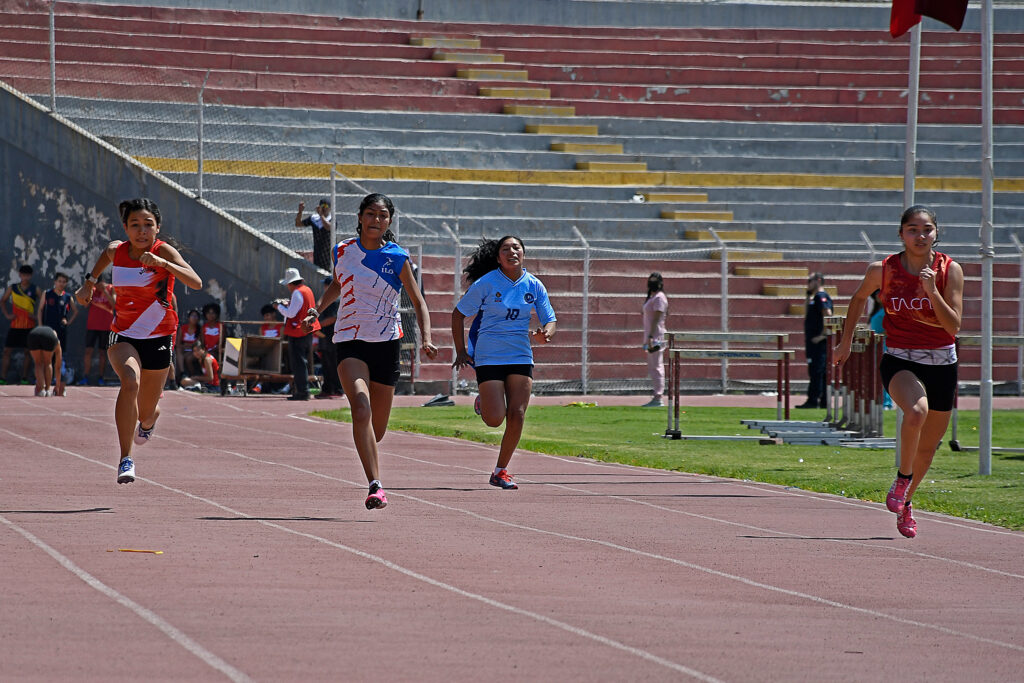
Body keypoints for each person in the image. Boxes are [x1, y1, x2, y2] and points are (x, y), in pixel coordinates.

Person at [834, 206, 963, 539]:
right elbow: (858, 298)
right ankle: (902, 478)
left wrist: (932, 291)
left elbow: (953, 327)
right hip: (900, 358)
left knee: (928, 449)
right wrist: (845, 342)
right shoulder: (883, 270)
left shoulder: (950, 270)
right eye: (912, 229)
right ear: (901, 233)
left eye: (927, 230)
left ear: (937, 232)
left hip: (941, 363)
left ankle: (906, 502)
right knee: (915, 412)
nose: (920, 236)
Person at [304, 193, 437, 510]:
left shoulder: (397, 257)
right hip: (350, 340)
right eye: (371, 214)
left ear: (389, 221)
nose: (376, 220)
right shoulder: (344, 250)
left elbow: (418, 302)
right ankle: (376, 486)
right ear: (361, 217)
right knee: (360, 409)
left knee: (375, 431)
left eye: (382, 216)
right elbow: (338, 283)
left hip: (387, 345)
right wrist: (318, 310)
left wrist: (427, 338)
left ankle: (370, 461)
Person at [74, 198, 203, 484]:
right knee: (129, 381)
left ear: (157, 229)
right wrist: (89, 283)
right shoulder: (117, 250)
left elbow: (196, 282)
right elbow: (104, 257)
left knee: (145, 411)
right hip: (124, 333)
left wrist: (163, 263)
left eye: (148, 225)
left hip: (158, 335)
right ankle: (126, 459)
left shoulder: (162, 251)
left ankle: (148, 420)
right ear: (125, 227)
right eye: (135, 225)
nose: (141, 231)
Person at [451, 235, 557, 491]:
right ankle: (484, 402)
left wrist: (546, 334)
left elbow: (549, 318)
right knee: (495, 419)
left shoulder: (534, 285)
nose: (512, 252)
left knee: (517, 414)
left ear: (524, 253)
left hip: (520, 354)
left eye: (517, 247)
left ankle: (501, 471)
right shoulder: (486, 284)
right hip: (489, 355)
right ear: (498, 257)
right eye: (506, 249)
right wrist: (461, 351)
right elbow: (458, 314)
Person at [276, 267, 320, 401]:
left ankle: (302, 391)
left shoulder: (297, 292)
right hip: (307, 330)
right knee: (302, 362)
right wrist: (288, 304)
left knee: (298, 363)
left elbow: (291, 313)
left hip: (298, 331)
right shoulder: (307, 290)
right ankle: (303, 390)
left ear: (290, 283)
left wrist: (278, 306)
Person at [797, 271, 833, 409]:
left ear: (818, 280)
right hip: (813, 342)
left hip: (819, 343)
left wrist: (823, 335)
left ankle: (814, 400)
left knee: (817, 371)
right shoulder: (814, 298)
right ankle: (822, 401)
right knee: (817, 370)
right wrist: (807, 295)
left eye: (809, 281)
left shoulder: (821, 297)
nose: (808, 284)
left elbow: (828, 315)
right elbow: (806, 312)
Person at [1, 264, 40, 384]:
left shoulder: (35, 289)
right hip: (15, 325)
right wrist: (7, 315)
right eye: (23, 275)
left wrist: (36, 317)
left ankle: (24, 378)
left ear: (31, 276)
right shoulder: (13, 288)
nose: (25, 278)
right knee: (7, 351)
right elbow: (2, 301)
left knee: (28, 352)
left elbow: (45, 302)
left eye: (27, 275)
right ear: (20, 275)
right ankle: (2, 378)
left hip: (29, 326)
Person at [80, 275, 116, 385]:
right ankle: (85, 377)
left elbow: (114, 305)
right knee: (88, 352)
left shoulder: (111, 288)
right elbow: (85, 304)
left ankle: (101, 377)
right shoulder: (92, 290)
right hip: (92, 326)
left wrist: (105, 291)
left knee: (102, 353)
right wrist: (89, 290)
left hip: (105, 327)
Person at [38, 272, 79, 365]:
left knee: (58, 352)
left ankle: (56, 377)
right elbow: (40, 310)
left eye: (64, 282)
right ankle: (44, 376)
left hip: (61, 329)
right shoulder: (47, 294)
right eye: (59, 281)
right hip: (48, 328)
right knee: (46, 352)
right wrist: (40, 325)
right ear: (55, 282)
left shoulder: (68, 297)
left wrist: (68, 322)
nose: (61, 283)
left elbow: (76, 311)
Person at [641, 272, 668, 407]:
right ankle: (656, 395)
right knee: (653, 366)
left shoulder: (659, 298)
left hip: (656, 336)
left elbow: (657, 318)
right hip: (650, 335)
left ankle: (658, 396)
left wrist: (651, 336)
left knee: (657, 366)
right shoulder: (652, 297)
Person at [314, 276, 342, 399]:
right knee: (326, 365)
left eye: (326, 286)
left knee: (333, 365)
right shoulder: (327, 299)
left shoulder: (335, 301)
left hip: (332, 336)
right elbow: (317, 305)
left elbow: (333, 318)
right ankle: (328, 388)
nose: (324, 288)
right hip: (326, 338)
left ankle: (337, 389)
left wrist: (317, 325)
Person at [868, 290, 894, 410]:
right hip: (876, 344)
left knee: (885, 373)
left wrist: (879, 334)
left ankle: (887, 402)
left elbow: (891, 328)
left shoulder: (889, 310)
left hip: (884, 344)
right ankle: (879, 399)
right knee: (878, 374)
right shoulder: (877, 309)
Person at [27, 325, 65, 397]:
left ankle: (41, 390)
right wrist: (57, 386)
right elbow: (58, 366)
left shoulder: (50, 334)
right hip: (48, 336)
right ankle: (47, 390)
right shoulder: (57, 342)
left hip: (33, 334)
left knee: (38, 363)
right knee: (48, 362)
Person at [295, 198, 333, 271]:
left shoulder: (332, 219)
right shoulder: (314, 218)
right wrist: (300, 211)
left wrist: (321, 215)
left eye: (326, 206)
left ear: (330, 208)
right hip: (317, 251)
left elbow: (328, 227)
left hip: (328, 253)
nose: (324, 208)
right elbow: (298, 224)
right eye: (322, 206)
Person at [174, 308, 202, 383]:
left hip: (194, 351)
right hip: (183, 350)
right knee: (178, 352)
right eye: (192, 316)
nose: (194, 318)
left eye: (196, 316)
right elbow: (178, 343)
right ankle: (182, 374)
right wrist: (186, 345)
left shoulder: (199, 329)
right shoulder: (183, 328)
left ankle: (192, 376)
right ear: (188, 318)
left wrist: (188, 345)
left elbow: (197, 344)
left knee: (188, 358)